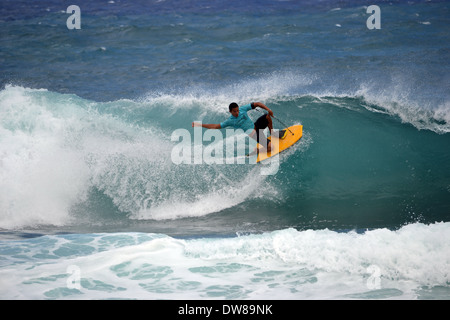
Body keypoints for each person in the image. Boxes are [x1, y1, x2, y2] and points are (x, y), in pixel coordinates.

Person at [192, 102, 274, 154]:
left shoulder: (243, 109)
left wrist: (268, 109)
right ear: (230, 111)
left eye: (237, 110)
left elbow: (257, 104)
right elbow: (215, 126)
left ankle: (273, 134)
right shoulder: (230, 121)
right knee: (271, 147)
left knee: (267, 117)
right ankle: (258, 150)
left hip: (256, 126)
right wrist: (200, 125)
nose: (237, 113)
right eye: (235, 111)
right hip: (254, 134)